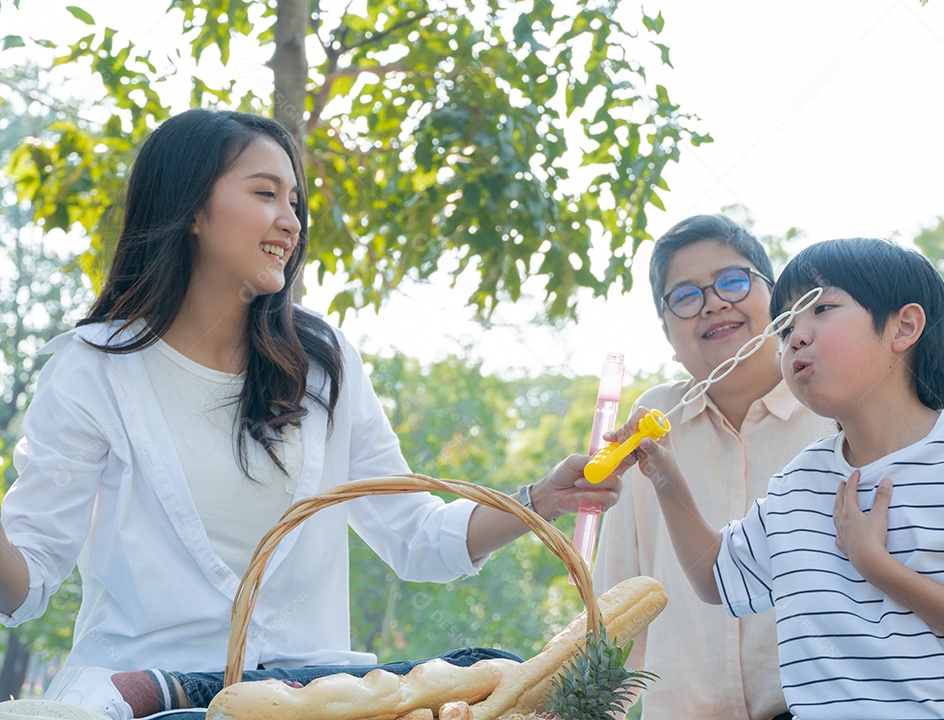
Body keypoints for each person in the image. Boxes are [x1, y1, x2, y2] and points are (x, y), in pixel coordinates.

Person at [0, 109, 622, 720]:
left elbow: (416, 538)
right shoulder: (94, 368)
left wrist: (542, 498)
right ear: (191, 209)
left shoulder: (321, 361)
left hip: (311, 696)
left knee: (495, 665)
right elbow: (27, 580)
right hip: (142, 695)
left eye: (294, 202)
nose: (290, 221)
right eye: (265, 193)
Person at [620, 237, 944, 718]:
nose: (796, 337)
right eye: (784, 328)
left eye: (821, 308)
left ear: (904, 327)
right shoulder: (798, 484)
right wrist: (665, 477)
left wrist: (877, 565)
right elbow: (716, 579)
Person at [592, 214, 833, 720]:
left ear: (775, 298)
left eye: (733, 281)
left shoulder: (835, 412)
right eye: (686, 296)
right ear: (666, 332)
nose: (714, 303)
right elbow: (616, 600)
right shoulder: (649, 426)